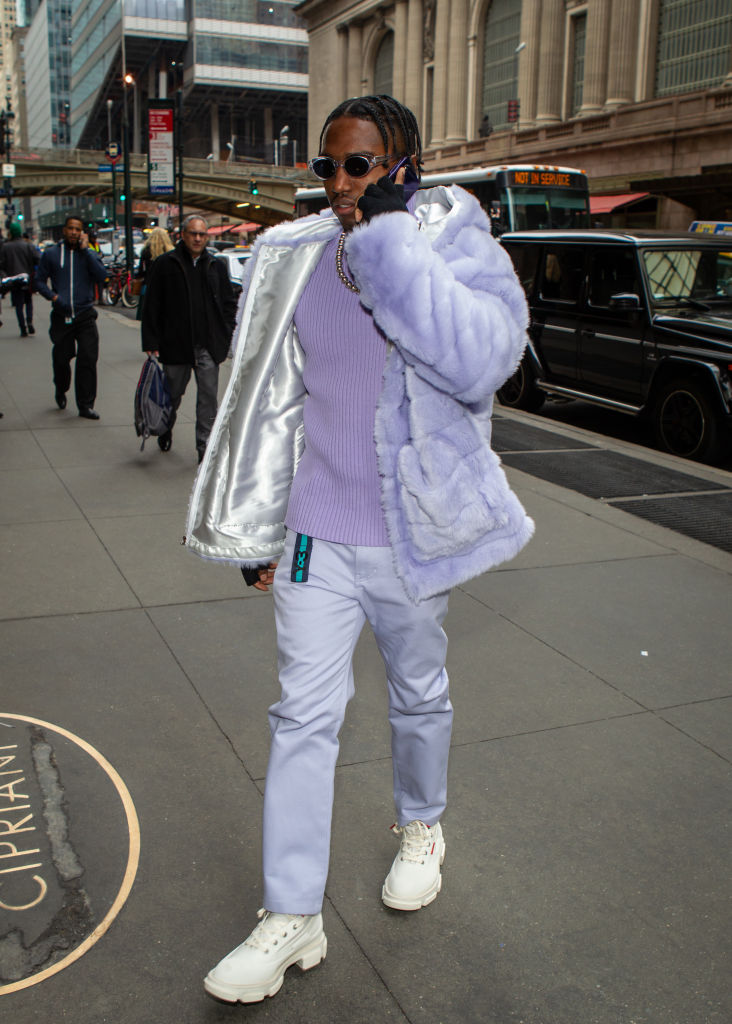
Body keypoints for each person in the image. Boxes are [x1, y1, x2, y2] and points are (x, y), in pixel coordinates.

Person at [186, 95, 534, 1005]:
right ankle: (292, 913)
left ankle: (422, 825)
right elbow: (270, 404)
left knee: (419, 694)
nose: (338, 186)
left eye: (359, 166)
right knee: (302, 717)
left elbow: (482, 361)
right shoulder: (294, 257)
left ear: (406, 161)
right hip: (314, 534)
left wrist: (390, 239)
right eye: (327, 168)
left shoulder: (456, 243)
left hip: (409, 533)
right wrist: (256, 527)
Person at [141, 215, 236, 461]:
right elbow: (152, 304)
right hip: (176, 345)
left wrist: (225, 338)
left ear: (207, 237)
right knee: (172, 394)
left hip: (207, 346)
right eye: (193, 233)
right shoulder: (165, 264)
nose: (197, 238)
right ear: (183, 235)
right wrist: (151, 343)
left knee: (208, 399)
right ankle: (165, 427)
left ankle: (204, 446)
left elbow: (228, 305)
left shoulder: (215, 265)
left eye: (202, 234)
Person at [35, 214, 109, 418]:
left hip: (85, 315)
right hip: (62, 315)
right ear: (64, 231)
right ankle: (60, 388)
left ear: (82, 232)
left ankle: (85, 405)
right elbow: (39, 282)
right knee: (61, 359)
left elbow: (102, 276)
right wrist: (54, 297)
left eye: (78, 229)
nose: (74, 233)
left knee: (88, 359)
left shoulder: (89, 254)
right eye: (71, 229)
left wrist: (87, 251)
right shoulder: (51, 254)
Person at [0, 222, 38, 337]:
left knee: (19, 304)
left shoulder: (6, 247)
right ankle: (29, 321)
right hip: (27, 277)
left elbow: (1, 264)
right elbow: (37, 258)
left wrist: (5, 276)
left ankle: (22, 327)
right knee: (28, 301)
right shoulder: (28, 245)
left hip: (14, 279)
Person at [134, 226, 173, 321]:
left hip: (149, 284)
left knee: (147, 314)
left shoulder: (146, 251)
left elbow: (141, 270)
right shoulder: (170, 252)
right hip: (166, 286)